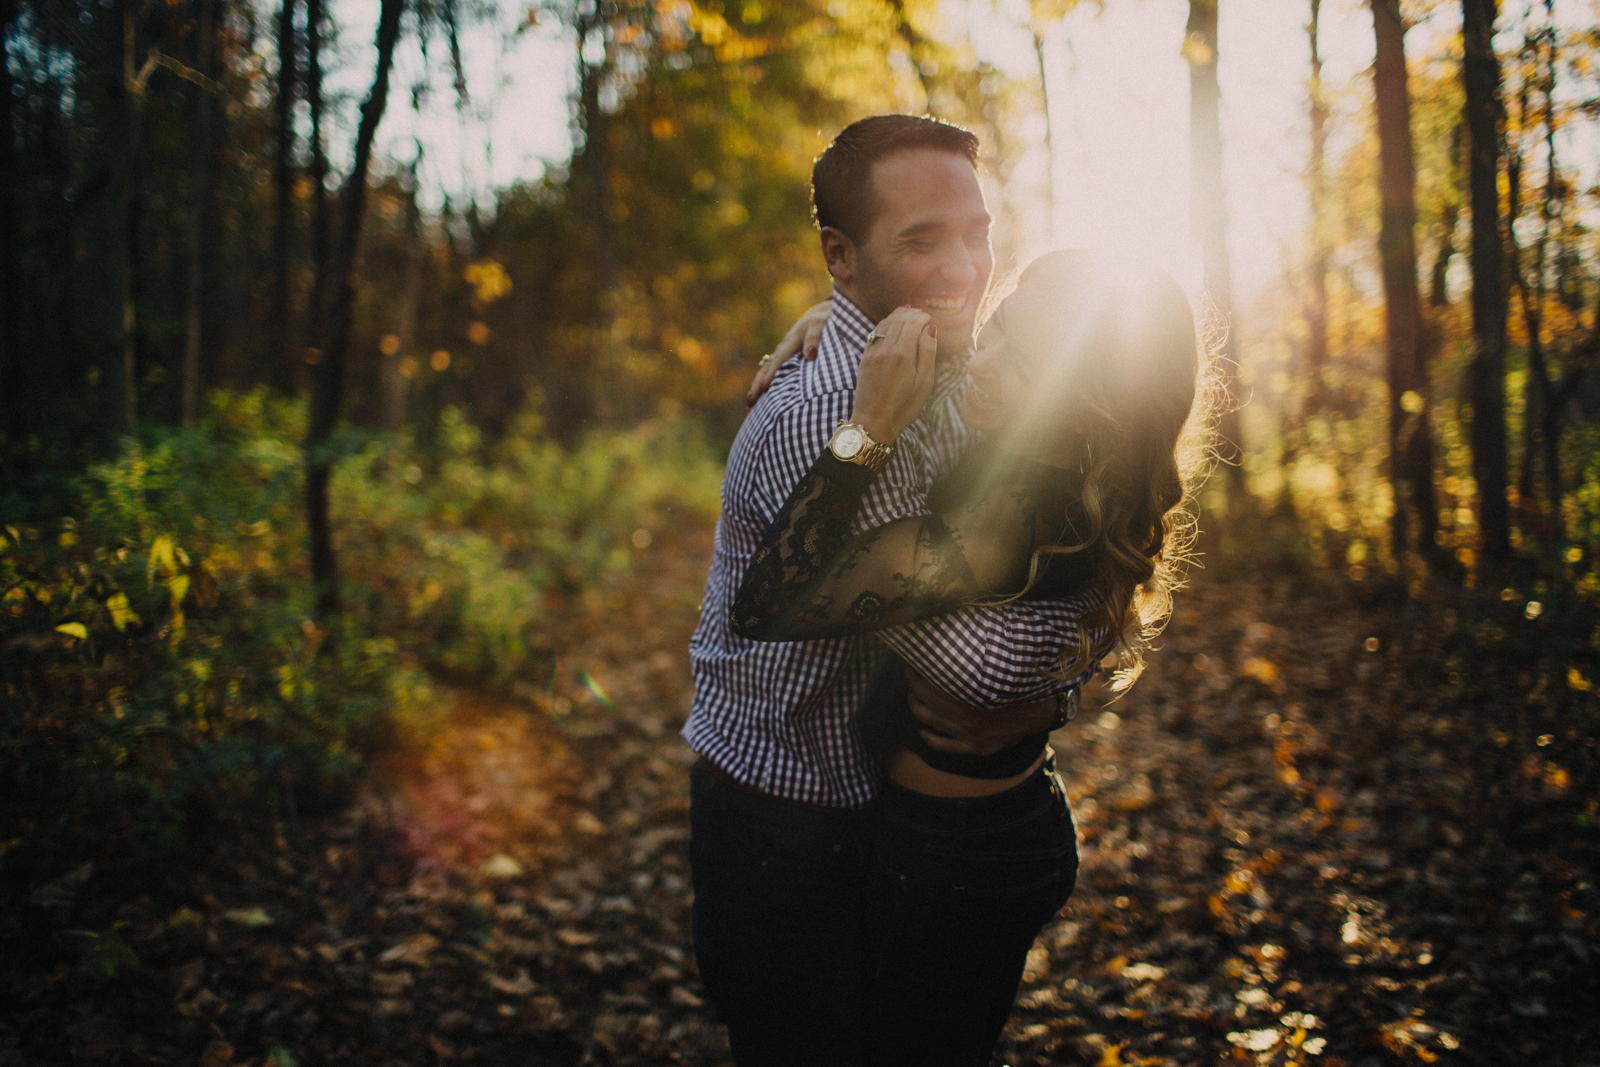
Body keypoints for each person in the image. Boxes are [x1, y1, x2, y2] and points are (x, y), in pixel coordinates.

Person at [732, 248, 1209, 1066]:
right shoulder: (1054, 455)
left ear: (1083, 402)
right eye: (995, 334)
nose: (979, 364)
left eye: (1017, 361)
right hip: (1000, 817)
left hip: (958, 857)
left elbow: (768, 600)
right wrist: (834, 327)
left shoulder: (1000, 527)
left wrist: (869, 428)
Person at [684, 115, 1090, 1066]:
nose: (966, 267)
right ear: (841, 253)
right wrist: (1071, 668)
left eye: (977, 232)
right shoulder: (832, 417)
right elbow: (980, 663)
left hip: (877, 802)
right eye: (922, 240)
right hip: (783, 818)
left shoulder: (956, 364)